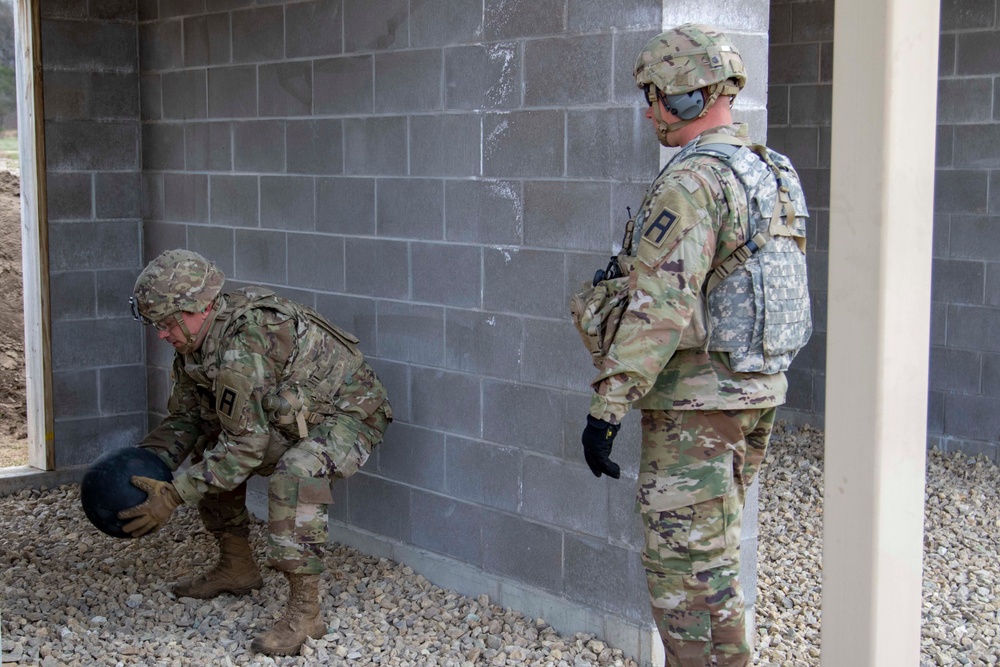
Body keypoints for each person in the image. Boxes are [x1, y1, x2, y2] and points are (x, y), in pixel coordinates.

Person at [578, 24, 811, 667]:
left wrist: (607, 409)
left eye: (655, 94)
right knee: (713, 561)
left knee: (683, 576)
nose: (649, 110)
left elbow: (662, 305)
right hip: (753, 390)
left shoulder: (693, 180)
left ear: (687, 95)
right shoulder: (772, 171)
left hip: (698, 406)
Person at [120, 249, 392, 656]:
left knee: (295, 474)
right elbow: (187, 419)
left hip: (350, 415)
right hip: (290, 417)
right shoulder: (196, 343)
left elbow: (246, 449)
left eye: (166, 322)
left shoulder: (241, 347)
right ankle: (237, 567)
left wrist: (173, 495)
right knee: (210, 446)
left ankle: (305, 613)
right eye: (156, 323)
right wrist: (144, 465)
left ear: (200, 307)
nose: (161, 333)